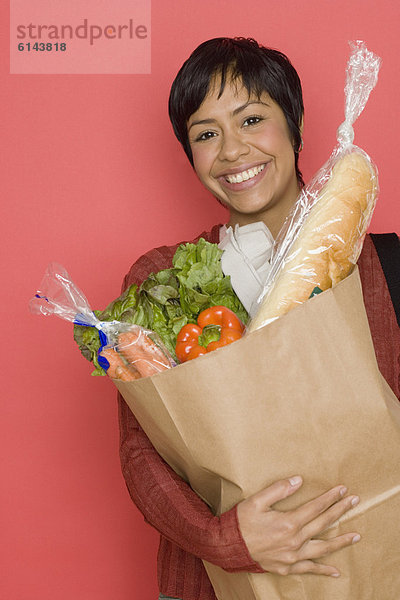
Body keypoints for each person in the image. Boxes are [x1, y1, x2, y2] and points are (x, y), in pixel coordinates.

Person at [117, 38, 400, 600]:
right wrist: (226, 538)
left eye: (251, 119)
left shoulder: (385, 264)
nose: (232, 150)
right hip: (217, 580)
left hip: (378, 560)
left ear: (293, 127)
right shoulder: (160, 281)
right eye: (206, 134)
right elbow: (141, 453)